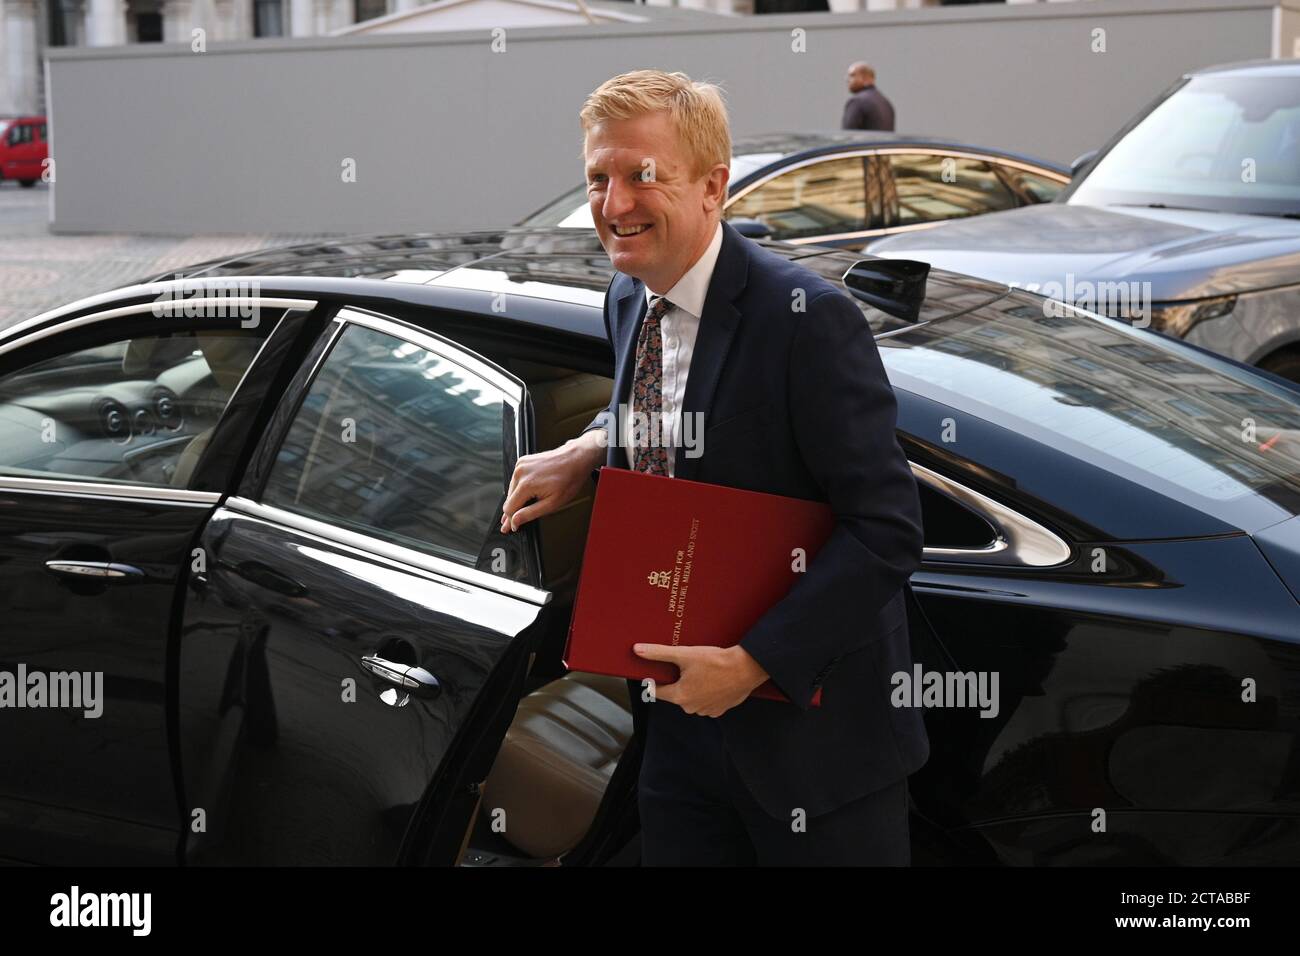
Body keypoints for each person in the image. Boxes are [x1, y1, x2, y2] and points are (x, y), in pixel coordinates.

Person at [499, 69, 927, 866]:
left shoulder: (807, 322)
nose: (614, 202)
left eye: (642, 175)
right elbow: (674, 412)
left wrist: (755, 663)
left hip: (815, 751)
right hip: (676, 735)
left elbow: (888, 530)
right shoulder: (629, 297)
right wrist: (594, 446)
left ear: (712, 186)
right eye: (599, 177)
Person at [842, 62, 895, 131]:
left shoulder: (857, 102)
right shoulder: (886, 103)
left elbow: (848, 135)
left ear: (865, 78)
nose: (847, 80)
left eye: (852, 75)